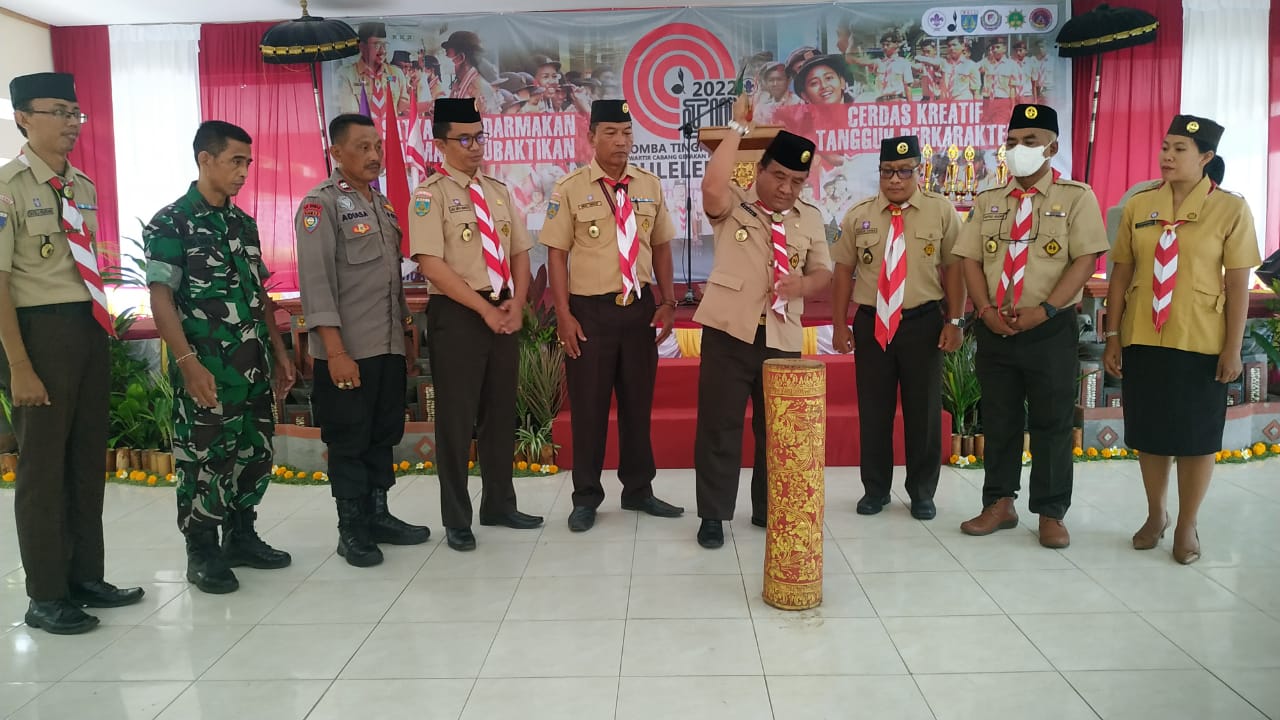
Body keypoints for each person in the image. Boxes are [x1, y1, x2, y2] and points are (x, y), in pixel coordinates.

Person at [0, 72, 143, 634]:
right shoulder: (8, 187)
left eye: (75, 113)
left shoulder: (80, 185)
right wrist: (18, 364)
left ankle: (86, 577)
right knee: (43, 469)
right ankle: (45, 594)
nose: (70, 123)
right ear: (23, 118)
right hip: (38, 333)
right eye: (58, 111)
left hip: (86, 328)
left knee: (85, 461)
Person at [145, 121, 295, 594]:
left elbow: (260, 295)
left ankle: (241, 535)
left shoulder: (242, 223)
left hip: (252, 367)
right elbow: (161, 299)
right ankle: (202, 549)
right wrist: (187, 362)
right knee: (205, 456)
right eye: (236, 160)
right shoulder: (171, 222)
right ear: (204, 159)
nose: (244, 171)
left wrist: (281, 351)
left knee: (254, 450)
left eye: (247, 162)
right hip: (207, 369)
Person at [1103, 115, 1260, 565]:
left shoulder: (1230, 209)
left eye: (1180, 150)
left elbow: (1237, 284)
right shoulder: (1140, 204)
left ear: (1207, 157)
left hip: (1201, 341)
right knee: (1150, 433)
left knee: (1196, 437)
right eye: (1165, 147)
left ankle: (1187, 523)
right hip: (1144, 336)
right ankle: (1156, 515)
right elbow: (1122, 273)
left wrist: (1233, 347)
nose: (1167, 156)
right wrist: (1113, 335)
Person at [953, 104, 1108, 549]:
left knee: (1052, 422)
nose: (1019, 150)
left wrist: (1048, 310)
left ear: (1052, 147)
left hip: (1049, 328)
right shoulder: (989, 201)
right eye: (1013, 141)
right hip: (995, 327)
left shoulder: (1076, 197)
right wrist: (983, 311)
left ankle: (1051, 512)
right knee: (998, 419)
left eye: (1030, 141)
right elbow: (969, 258)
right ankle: (999, 503)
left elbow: (1085, 259)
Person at [692, 95, 834, 549]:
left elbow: (824, 272)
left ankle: (768, 509)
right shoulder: (735, 205)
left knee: (777, 429)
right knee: (719, 425)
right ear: (760, 171)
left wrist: (804, 287)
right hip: (729, 332)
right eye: (779, 176)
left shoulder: (809, 218)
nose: (786, 189)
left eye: (797, 181)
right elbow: (711, 187)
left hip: (782, 335)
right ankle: (714, 515)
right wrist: (737, 129)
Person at [540, 99, 682, 532]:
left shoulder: (650, 186)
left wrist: (670, 300)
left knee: (638, 406)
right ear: (592, 137)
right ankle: (586, 497)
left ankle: (639, 490)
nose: (621, 142)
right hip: (590, 312)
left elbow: (660, 246)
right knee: (589, 410)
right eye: (611, 133)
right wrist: (563, 315)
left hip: (637, 310)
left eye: (627, 133)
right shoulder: (570, 188)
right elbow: (557, 254)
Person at [409, 98, 545, 551]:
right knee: (456, 418)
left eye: (479, 137)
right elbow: (430, 263)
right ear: (441, 143)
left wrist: (516, 303)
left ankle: (499, 503)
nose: (474, 147)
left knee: (500, 412)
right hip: (459, 315)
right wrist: (484, 309)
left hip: (502, 310)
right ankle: (457, 517)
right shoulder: (429, 196)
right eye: (463, 139)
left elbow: (520, 253)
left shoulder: (498, 191)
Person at [295, 113, 429, 568]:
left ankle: (378, 515)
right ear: (336, 152)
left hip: (386, 346)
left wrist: (406, 338)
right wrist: (335, 352)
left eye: (377, 146)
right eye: (362, 147)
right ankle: (351, 528)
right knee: (349, 438)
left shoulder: (383, 205)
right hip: (347, 352)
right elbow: (317, 286)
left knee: (381, 435)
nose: (374, 156)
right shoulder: (320, 206)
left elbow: (390, 282)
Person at [831, 136, 965, 521]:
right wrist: (840, 324)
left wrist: (955, 320)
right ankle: (875, 490)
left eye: (904, 171)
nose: (895, 179)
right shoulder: (859, 215)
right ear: (880, 172)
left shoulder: (940, 212)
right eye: (888, 171)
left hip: (921, 322)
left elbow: (954, 269)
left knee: (923, 413)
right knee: (875, 411)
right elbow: (842, 271)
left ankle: (922, 492)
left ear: (918, 171)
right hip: (873, 322)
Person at [335, 22, 411, 119]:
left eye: (384, 44)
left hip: (391, 131)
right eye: (376, 45)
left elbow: (403, 107)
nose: (383, 51)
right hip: (364, 132)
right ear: (362, 47)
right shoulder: (346, 74)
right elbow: (351, 115)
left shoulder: (396, 73)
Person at [443, 31, 501, 114]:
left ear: (460, 57)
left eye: (448, 54)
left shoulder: (481, 88)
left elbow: (490, 123)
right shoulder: (458, 84)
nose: (445, 57)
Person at [849, 30, 914, 101]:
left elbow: (908, 87)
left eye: (888, 44)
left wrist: (910, 107)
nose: (885, 47)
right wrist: (851, 44)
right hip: (881, 101)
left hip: (896, 100)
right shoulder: (878, 63)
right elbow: (856, 61)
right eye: (883, 45)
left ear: (896, 45)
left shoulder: (903, 63)